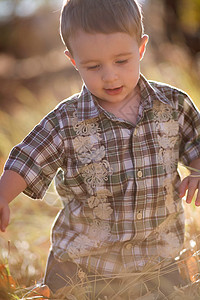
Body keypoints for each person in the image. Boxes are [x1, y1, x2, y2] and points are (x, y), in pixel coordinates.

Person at [0, 0, 200, 298]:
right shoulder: (66, 121)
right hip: (82, 269)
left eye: (121, 61)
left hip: (159, 264)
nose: (110, 76)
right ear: (73, 60)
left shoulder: (173, 105)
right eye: (93, 66)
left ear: (141, 48)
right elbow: (28, 158)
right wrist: (2, 195)